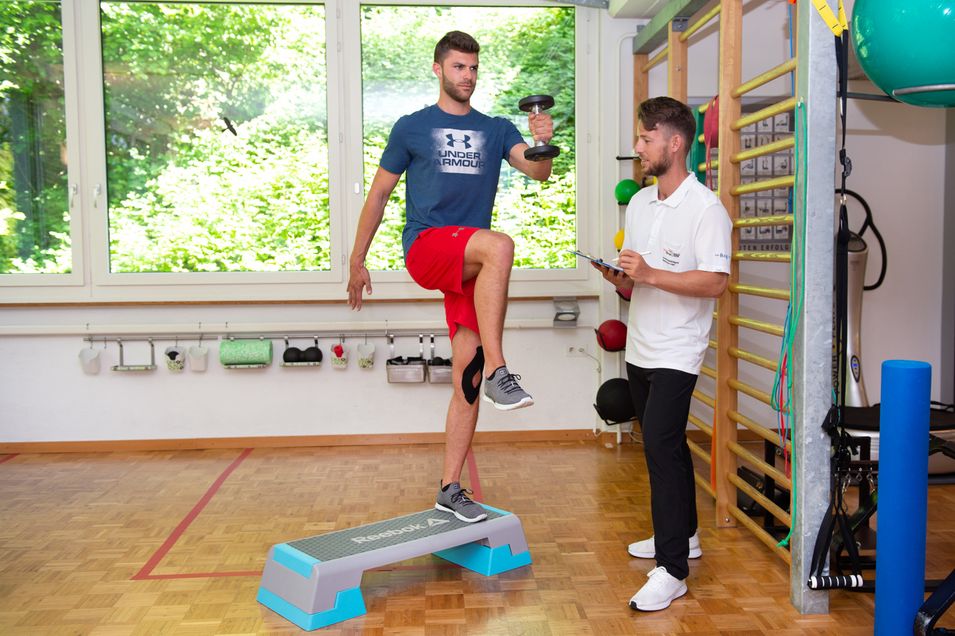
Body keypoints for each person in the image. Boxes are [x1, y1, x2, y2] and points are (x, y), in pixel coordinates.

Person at [346, 31, 554, 524]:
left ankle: (449, 487)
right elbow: (377, 196)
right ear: (439, 69)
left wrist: (542, 140)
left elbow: (537, 172)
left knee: (468, 374)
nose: (468, 76)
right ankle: (506, 370)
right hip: (428, 246)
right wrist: (357, 259)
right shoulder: (411, 128)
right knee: (500, 243)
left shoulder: (497, 128)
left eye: (474, 68)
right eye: (459, 67)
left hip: (471, 263)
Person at [594, 96, 731, 611]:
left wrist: (649, 273)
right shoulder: (641, 204)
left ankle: (672, 570)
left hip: (678, 350)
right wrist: (623, 280)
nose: (638, 147)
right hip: (641, 345)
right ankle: (684, 535)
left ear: (674, 143)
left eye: (646, 138)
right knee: (665, 450)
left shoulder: (706, 209)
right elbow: (640, 284)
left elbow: (715, 282)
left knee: (659, 446)